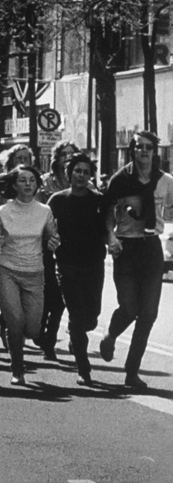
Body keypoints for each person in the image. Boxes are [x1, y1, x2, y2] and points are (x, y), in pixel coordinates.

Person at [99, 131, 173, 389]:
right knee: (130, 308)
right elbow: (107, 211)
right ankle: (110, 336)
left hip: (151, 247)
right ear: (132, 151)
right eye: (139, 146)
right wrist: (111, 237)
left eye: (149, 147)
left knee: (149, 313)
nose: (144, 151)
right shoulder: (121, 180)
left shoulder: (166, 181)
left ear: (156, 151)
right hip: (126, 247)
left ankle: (132, 372)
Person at [0, 165, 59, 386]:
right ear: (13, 185)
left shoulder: (44, 211)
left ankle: (12, 334)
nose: (28, 184)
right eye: (22, 180)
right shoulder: (3, 212)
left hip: (35, 273)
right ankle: (17, 370)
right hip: (7, 270)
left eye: (32, 180)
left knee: (33, 328)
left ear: (38, 184)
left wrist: (54, 242)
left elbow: (51, 237)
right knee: (16, 322)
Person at [47, 154, 106, 385]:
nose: (81, 175)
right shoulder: (57, 200)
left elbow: (108, 226)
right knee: (77, 315)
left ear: (91, 175)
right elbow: (48, 229)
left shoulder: (99, 201)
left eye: (86, 172)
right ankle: (83, 367)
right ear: (69, 173)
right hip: (66, 264)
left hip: (93, 264)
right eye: (77, 171)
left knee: (91, 317)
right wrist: (50, 241)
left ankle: (76, 336)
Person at [36, 142, 79, 361]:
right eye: (64, 155)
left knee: (66, 299)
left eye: (72, 154)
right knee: (50, 296)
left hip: (72, 247)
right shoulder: (45, 182)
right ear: (56, 158)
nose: (68, 158)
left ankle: (54, 339)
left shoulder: (82, 180)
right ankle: (41, 330)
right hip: (47, 246)